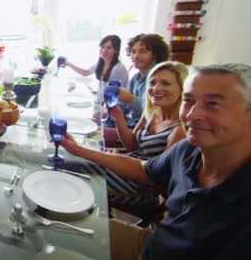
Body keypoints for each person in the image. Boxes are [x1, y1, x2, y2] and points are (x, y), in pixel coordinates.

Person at [59, 63, 251, 260]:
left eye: (213, 104)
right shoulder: (187, 150)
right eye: (189, 100)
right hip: (153, 243)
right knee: (52, 226)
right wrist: (78, 149)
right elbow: (143, 168)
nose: (192, 114)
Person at [101, 61, 188, 207]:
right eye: (152, 83)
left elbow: (159, 178)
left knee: (85, 177)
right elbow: (131, 145)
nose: (156, 88)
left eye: (165, 83)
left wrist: (115, 159)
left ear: (183, 88)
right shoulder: (152, 112)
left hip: (140, 190)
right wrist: (118, 117)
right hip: (126, 170)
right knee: (80, 166)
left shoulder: (179, 130)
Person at [119, 33, 171, 127]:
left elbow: (151, 115)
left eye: (142, 51)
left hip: (149, 130)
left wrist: (130, 99)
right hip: (133, 125)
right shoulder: (135, 78)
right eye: (133, 52)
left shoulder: (160, 79)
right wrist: (113, 106)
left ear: (156, 55)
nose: (135, 56)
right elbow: (124, 107)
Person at [64, 34, 129, 89]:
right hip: (100, 102)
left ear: (116, 50)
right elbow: (85, 73)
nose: (104, 50)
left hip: (110, 103)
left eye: (109, 48)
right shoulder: (102, 63)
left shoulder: (118, 69)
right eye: (102, 47)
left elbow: (113, 96)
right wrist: (68, 64)